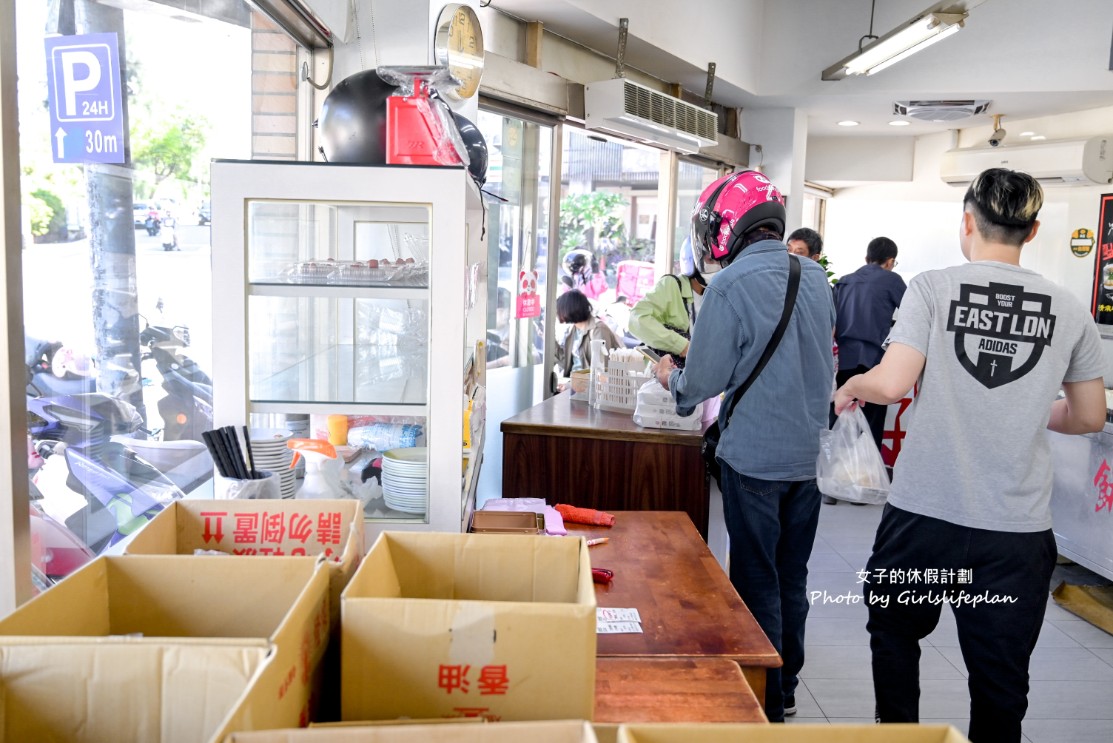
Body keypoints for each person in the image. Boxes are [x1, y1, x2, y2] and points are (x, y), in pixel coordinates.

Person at [833, 168, 1105, 741]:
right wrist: (1032, 411)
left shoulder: (932, 288)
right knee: (1000, 679)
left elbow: (893, 384)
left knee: (896, 637)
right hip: (1015, 534)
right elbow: (1088, 417)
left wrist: (853, 386)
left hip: (925, 517)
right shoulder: (1069, 309)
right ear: (1031, 232)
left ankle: (898, 735)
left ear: (967, 222)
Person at [652, 170, 835, 722]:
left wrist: (668, 377)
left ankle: (766, 700)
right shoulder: (816, 277)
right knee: (791, 575)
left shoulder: (729, 287)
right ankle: (789, 682)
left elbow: (700, 382)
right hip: (806, 457)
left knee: (755, 576)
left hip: (752, 457)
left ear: (727, 228)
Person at [832, 236, 907, 456]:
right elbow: (913, 313)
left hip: (842, 360)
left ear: (867, 258)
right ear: (890, 261)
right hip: (874, 361)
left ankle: (835, 472)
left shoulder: (843, 281)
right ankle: (866, 477)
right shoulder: (892, 280)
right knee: (872, 421)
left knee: (838, 415)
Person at [627, 238, 706, 367]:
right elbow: (637, 319)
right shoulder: (672, 286)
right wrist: (681, 345)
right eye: (709, 260)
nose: (715, 266)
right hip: (665, 378)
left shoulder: (717, 295)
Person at [552, 288, 621, 389]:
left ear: (568, 310)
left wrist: (571, 385)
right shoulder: (573, 331)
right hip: (575, 385)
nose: (558, 314)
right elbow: (566, 362)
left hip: (591, 389)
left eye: (559, 310)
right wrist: (550, 338)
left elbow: (601, 370)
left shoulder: (598, 329)